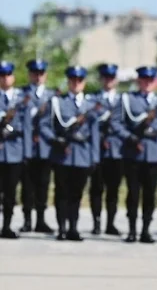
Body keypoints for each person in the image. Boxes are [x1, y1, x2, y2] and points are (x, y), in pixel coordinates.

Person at [40, 66, 101, 241]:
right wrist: (54, 140)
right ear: (68, 82)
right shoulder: (58, 102)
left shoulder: (90, 105)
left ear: (84, 82)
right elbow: (44, 125)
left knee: (77, 194)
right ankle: (62, 228)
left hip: (82, 154)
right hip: (62, 154)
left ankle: (73, 228)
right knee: (61, 192)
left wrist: (94, 157)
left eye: (79, 80)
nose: (76, 83)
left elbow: (95, 134)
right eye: (73, 80)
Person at [114, 66, 157, 244]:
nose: (147, 83)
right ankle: (132, 230)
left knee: (150, 195)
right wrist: (129, 137)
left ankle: (145, 230)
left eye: (151, 80)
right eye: (144, 79)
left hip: (153, 154)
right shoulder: (128, 99)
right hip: (133, 154)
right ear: (139, 81)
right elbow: (117, 123)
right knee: (133, 194)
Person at [88, 63, 124, 236]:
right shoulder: (93, 99)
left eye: (111, 78)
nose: (108, 81)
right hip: (99, 150)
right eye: (105, 78)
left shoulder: (122, 100)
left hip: (116, 150)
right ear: (101, 79)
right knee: (96, 188)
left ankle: (110, 223)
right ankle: (96, 222)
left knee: (113, 189)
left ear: (115, 80)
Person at [21, 59, 55, 234]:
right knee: (27, 185)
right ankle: (27, 220)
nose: (38, 76)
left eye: (41, 73)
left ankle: (40, 220)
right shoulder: (21, 94)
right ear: (29, 75)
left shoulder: (52, 96)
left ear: (45, 75)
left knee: (43, 184)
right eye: (34, 73)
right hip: (27, 147)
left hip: (45, 147)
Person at [0, 61, 32, 239]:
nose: (5, 79)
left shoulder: (21, 99)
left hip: (14, 151)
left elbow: (26, 127)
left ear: (12, 77)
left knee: (10, 193)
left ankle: (6, 226)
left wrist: (27, 153)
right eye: (2, 76)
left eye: (7, 75)